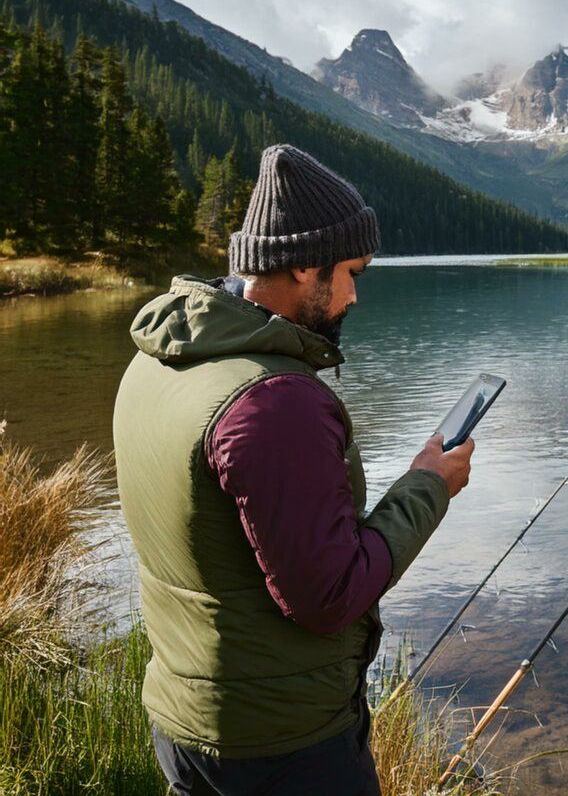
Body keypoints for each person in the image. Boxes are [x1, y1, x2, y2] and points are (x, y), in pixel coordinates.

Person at [113, 143, 474, 795]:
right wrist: (428, 486)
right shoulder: (273, 401)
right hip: (283, 749)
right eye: (352, 272)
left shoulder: (157, 359)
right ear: (306, 266)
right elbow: (328, 593)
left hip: (184, 723)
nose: (356, 295)